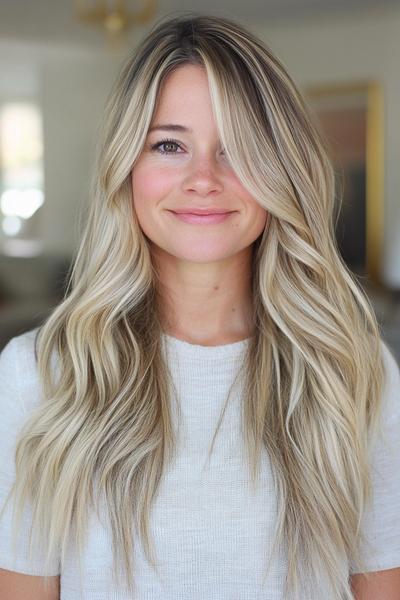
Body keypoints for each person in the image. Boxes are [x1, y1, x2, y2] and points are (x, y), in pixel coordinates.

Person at [0, 12, 399, 600]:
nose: (203, 178)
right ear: (125, 167)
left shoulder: (352, 369)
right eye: (169, 145)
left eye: (236, 147)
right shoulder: (38, 375)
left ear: (280, 169)